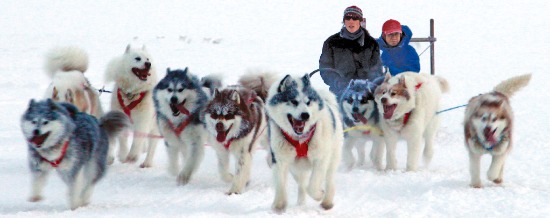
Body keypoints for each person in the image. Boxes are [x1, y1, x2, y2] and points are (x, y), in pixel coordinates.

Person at [319, 5, 383, 99]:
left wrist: (368, 85)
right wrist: (337, 83)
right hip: (340, 93)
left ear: (360, 21)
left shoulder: (371, 43)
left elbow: (376, 70)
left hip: (366, 95)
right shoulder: (331, 43)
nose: (351, 21)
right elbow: (325, 68)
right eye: (348, 17)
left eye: (355, 18)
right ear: (344, 21)